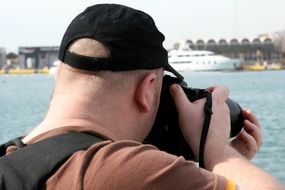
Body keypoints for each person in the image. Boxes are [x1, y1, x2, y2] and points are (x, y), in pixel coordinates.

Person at [5, 3, 283, 190]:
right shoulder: (126, 170)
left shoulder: (12, 160)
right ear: (147, 89)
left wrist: (214, 171)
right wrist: (217, 149)